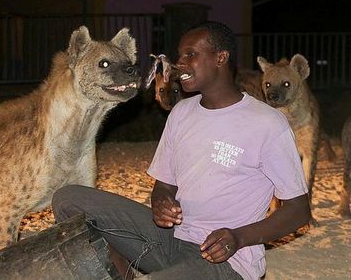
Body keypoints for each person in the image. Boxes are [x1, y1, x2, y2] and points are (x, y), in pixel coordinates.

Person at [52, 21, 311, 280]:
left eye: (191, 54)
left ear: (221, 58)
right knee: (68, 198)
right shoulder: (181, 112)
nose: (180, 63)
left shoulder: (265, 122)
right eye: (180, 55)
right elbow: (165, 185)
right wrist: (161, 202)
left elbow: (299, 210)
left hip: (224, 259)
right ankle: (123, 273)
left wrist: (239, 237)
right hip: (171, 238)